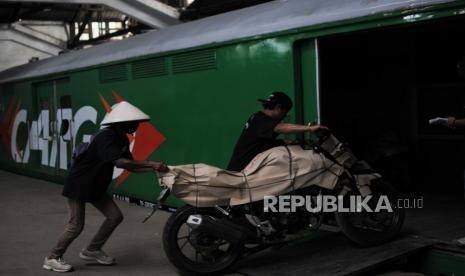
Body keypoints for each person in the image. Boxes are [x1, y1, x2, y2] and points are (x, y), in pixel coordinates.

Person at [43, 101, 168, 272]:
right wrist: (151, 163)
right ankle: (52, 257)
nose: (137, 126)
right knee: (76, 225)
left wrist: (153, 170)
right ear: (122, 123)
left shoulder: (122, 138)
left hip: (96, 185)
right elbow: (118, 161)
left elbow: (128, 165)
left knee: (115, 216)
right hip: (79, 184)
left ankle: (92, 250)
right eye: (135, 123)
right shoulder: (106, 136)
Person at [227, 91, 327, 171]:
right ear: (278, 108)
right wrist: (310, 128)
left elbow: (259, 143)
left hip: (245, 170)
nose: (284, 117)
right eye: (285, 113)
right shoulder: (261, 120)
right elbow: (280, 128)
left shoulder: (258, 118)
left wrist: (285, 142)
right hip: (240, 173)